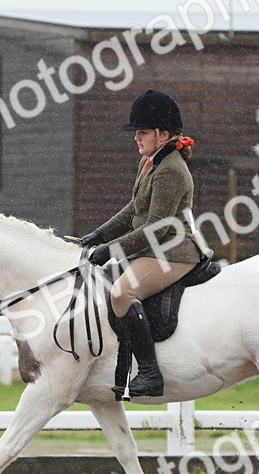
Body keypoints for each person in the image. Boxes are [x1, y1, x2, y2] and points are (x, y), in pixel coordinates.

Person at [82, 89, 202, 397]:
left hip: (173, 252)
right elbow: (135, 209)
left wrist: (112, 250)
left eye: (143, 132)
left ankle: (150, 374)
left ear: (164, 135)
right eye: (137, 132)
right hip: (155, 248)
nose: (137, 137)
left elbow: (155, 229)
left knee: (122, 292)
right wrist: (101, 233)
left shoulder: (171, 170)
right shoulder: (151, 162)